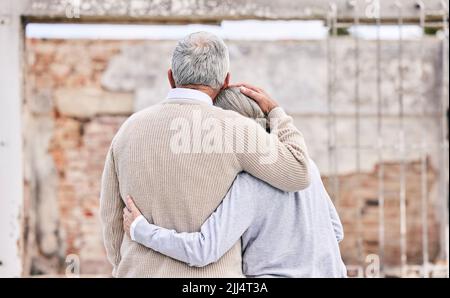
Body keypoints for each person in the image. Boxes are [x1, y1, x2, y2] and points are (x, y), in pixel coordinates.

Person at [100, 32, 311, 277]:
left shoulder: (127, 131)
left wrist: (125, 266)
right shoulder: (236, 129)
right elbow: (299, 171)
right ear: (225, 81)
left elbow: (112, 221)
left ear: (171, 77)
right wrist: (276, 112)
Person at [123, 88, 347, 278]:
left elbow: (203, 250)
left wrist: (142, 230)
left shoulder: (248, 182)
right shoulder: (308, 166)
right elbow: (335, 231)